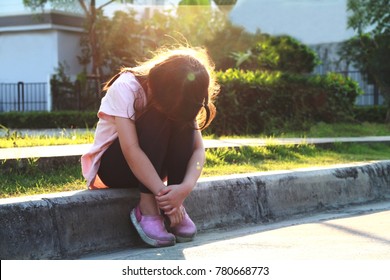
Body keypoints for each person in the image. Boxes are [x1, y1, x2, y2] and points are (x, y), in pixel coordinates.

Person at [81, 46, 219, 248]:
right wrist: (160, 194)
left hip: (152, 170)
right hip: (115, 168)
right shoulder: (127, 87)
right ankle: (147, 209)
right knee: (158, 116)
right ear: (154, 87)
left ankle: (171, 207)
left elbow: (198, 150)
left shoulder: (180, 93)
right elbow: (131, 149)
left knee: (181, 120)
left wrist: (183, 190)